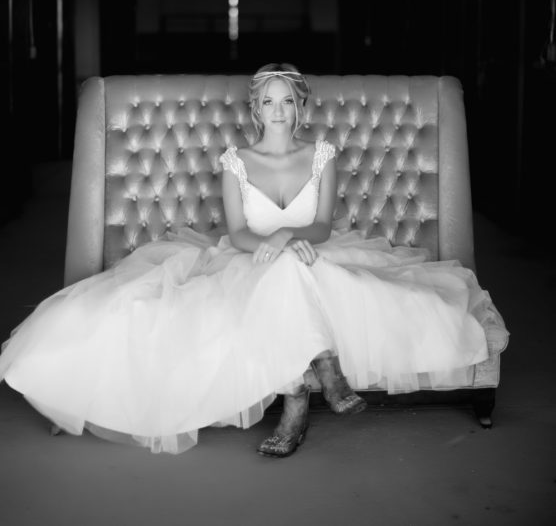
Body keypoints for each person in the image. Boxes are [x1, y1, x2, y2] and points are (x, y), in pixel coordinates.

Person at [0, 62, 506, 457]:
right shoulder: (235, 161)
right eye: (269, 102)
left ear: (300, 106)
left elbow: (324, 225)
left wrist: (288, 233)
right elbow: (240, 232)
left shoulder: (322, 155)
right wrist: (273, 244)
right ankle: (320, 373)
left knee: (296, 266)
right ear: (256, 109)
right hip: (246, 258)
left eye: (287, 101)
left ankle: (296, 402)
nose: (279, 110)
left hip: (312, 253)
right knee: (276, 270)